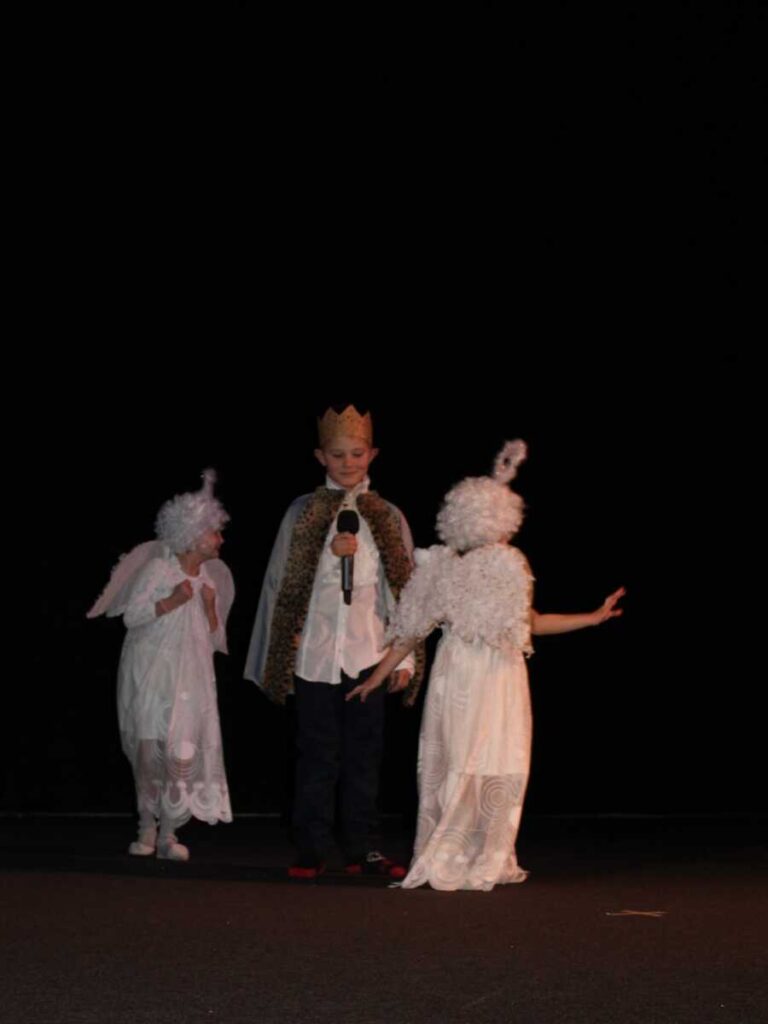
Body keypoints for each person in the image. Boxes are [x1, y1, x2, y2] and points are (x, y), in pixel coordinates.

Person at [347, 441, 624, 891]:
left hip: (484, 672)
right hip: (480, 673)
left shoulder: (469, 565)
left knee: (481, 759)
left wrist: (591, 618)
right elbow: (413, 630)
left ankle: (475, 851)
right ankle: (466, 853)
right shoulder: (472, 565)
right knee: (472, 758)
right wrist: (375, 677)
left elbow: (525, 622)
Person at [245, 405, 423, 879]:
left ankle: (363, 846)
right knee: (317, 753)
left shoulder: (387, 514)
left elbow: (403, 588)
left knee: (365, 755)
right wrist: (330, 553)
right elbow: (284, 581)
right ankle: (312, 846)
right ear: (321, 457)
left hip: (369, 653)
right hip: (316, 653)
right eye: (338, 454)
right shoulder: (302, 511)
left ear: (373, 455)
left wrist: (403, 659)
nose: (348, 463)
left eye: (357, 454)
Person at [88, 469, 234, 861]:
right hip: (152, 674)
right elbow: (132, 617)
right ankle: (146, 827)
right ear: (192, 535)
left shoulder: (211, 580)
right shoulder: (158, 571)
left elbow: (216, 641)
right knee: (149, 753)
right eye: (214, 532)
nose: (220, 539)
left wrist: (209, 609)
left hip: (191, 677)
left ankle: (170, 833)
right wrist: (171, 600)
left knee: (181, 753)